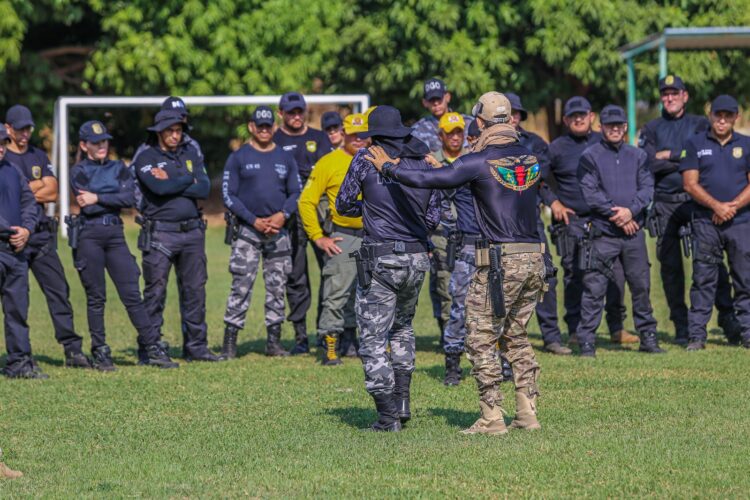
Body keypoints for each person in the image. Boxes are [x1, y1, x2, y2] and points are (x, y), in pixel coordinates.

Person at [372, 92, 548, 435]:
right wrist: (450, 168)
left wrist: (388, 167)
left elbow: (427, 180)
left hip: (499, 262)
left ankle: (491, 417)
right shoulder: (531, 159)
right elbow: (476, 179)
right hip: (534, 259)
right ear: (511, 120)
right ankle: (528, 413)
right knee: (517, 335)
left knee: (481, 337)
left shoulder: (479, 160)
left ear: (479, 122)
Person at [336, 105, 439, 432]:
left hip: (381, 258)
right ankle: (403, 402)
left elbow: (343, 203)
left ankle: (387, 417)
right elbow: (434, 216)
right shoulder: (424, 162)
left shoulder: (365, 159)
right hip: (417, 258)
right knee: (403, 328)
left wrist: (370, 204)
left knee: (372, 337)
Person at [69, 120, 178, 370]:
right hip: (90, 235)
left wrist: (98, 196)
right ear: (85, 146)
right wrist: (107, 198)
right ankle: (101, 350)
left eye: (104, 141)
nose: (102, 146)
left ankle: (152, 347)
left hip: (114, 234)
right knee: (96, 297)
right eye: (96, 143)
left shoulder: (119, 167)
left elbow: (129, 198)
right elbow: (86, 204)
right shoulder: (79, 171)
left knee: (132, 294)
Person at [639, 76, 740, 345]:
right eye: (665, 94)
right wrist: (684, 158)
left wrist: (670, 156)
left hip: (698, 200)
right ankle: (682, 325)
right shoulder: (651, 128)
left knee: (710, 264)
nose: (669, 98)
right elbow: (648, 164)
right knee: (670, 269)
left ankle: (728, 319)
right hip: (665, 203)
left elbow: (705, 157)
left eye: (675, 93)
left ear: (685, 96)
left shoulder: (699, 123)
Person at [542, 97, 636, 347]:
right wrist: (554, 203)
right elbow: (538, 180)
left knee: (615, 273)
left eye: (582, 114)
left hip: (605, 219)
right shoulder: (556, 147)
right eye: (573, 116)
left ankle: (617, 327)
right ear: (565, 120)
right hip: (572, 220)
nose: (578, 119)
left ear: (592, 116)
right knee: (575, 272)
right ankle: (575, 329)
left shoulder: (603, 142)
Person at [4, 105, 90, 368]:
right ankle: (19, 356)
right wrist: (32, 189)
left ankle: (72, 349)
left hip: (40, 236)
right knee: (16, 301)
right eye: (19, 129)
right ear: (8, 128)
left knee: (58, 291)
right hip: (9, 240)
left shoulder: (38, 155)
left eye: (28, 128)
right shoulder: (3, 158)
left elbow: (52, 192)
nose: (24, 134)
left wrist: (25, 192)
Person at [133, 109, 221, 362]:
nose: (175, 135)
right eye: (170, 130)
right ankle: (149, 348)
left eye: (178, 131)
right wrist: (187, 178)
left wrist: (175, 177)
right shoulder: (146, 157)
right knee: (155, 293)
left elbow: (203, 187)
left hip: (192, 232)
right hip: (161, 233)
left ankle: (196, 346)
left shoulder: (191, 154)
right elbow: (159, 187)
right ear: (159, 131)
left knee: (195, 291)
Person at [576, 105, 664, 357]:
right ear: (600, 127)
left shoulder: (638, 156)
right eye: (609, 124)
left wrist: (631, 210)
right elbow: (591, 194)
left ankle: (648, 337)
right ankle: (587, 342)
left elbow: (647, 188)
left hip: (633, 235)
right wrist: (620, 215)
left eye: (619, 124)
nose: (614, 128)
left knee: (641, 286)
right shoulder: (589, 156)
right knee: (594, 288)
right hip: (603, 233)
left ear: (625, 127)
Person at [221, 106, 301, 358]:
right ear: (252, 127)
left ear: (274, 128)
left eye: (269, 126)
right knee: (241, 285)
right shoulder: (238, 157)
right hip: (248, 232)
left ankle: (274, 342)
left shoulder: (285, 157)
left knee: (277, 287)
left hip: (278, 233)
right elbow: (228, 195)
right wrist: (253, 220)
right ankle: (230, 343)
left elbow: (296, 192)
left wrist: (282, 215)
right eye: (260, 126)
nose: (265, 130)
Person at [680, 95, 750, 350]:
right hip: (705, 221)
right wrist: (717, 206)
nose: (722, 120)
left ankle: (748, 333)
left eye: (728, 115)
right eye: (718, 115)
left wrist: (731, 207)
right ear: (710, 115)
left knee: (745, 278)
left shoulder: (747, 144)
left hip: (741, 221)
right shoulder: (695, 143)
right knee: (703, 279)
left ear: (736, 117)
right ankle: (697, 336)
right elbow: (689, 183)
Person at [299, 113, 369, 365]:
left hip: (374, 236)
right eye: (354, 135)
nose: (359, 140)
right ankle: (331, 346)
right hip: (343, 235)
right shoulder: (328, 162)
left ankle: (358, 343)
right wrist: (318, 237)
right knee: (337, 292)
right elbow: (306, 201)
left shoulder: (377, 160)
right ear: (344, 134)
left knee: (369, 294)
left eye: (364, 135)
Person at [507, 92, 569, 355]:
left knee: (546, 276)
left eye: (515, 113)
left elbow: (539, 180)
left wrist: (553, 202)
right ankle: (500, 336)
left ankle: (552, 337)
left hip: (530, 221)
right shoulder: (484, 145)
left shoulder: (535, 143)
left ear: (520, 117)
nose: (511, 118)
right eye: (505, 114)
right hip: (498, 224)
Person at [273, 92, 334, 354]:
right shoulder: (273, 140)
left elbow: (324, 173)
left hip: (320, 214)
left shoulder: (319, 138)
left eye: (299, 111)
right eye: (290, 112)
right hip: (289, 217)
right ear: (281, 114)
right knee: (296, 277)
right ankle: (300, 337)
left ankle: (326, 332)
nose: (296, 116)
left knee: (329, 272)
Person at [0, 125, 45, 379]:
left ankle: (19, 363)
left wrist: (26, 230)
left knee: (18, 310)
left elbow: (29, 201)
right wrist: (9, 229)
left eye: (3, 143)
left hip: (15, 251)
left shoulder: (13, 170)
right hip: (6, 241)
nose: (0, 148)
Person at [425, 112, 462, 348]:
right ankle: (450, 336)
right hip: (440, 236)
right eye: (450, 133)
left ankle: (465, 334)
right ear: (441, 136)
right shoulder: (429, 162)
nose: (455, 138)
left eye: (459, 132)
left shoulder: (470, 160)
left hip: (468, 233)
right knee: (444, 285)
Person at [412, 78, 471, 152]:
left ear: (447, 97)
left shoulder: (468, 123)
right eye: (431, 100)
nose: (436, 103)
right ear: (425, 102)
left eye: (439, 98)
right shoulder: (418, 130)